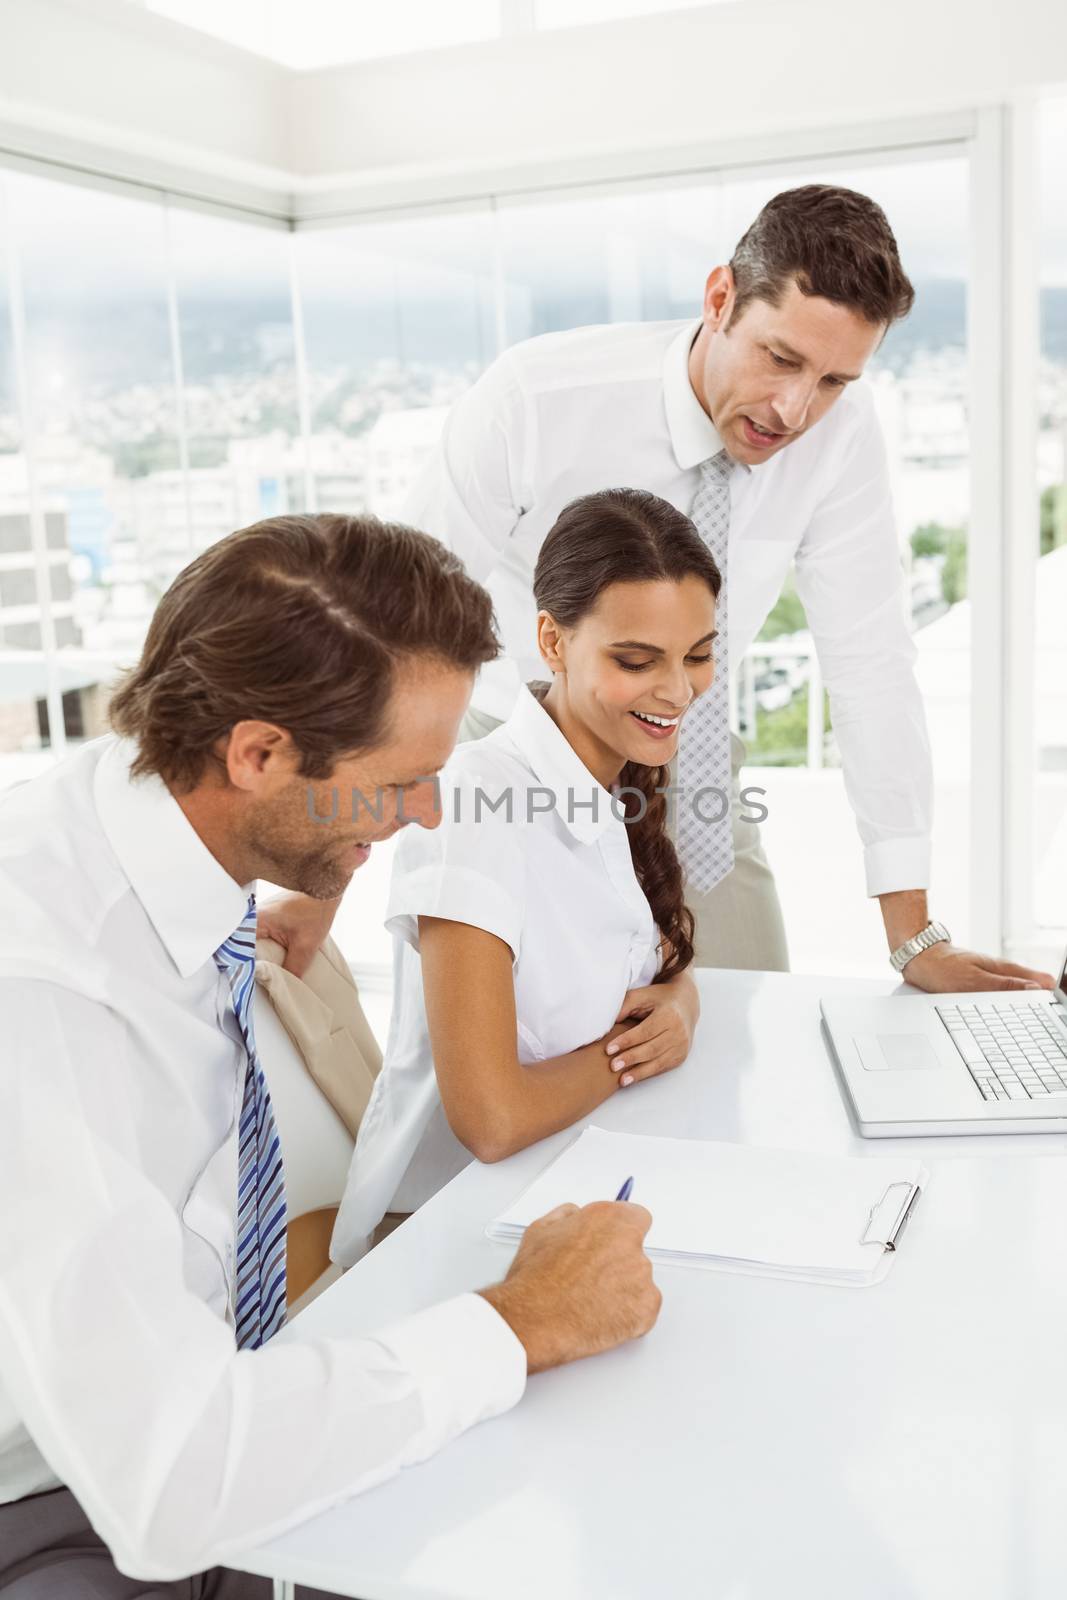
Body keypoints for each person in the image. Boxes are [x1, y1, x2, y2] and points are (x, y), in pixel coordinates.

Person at [0, 513, 662, 1598]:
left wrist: (329, 849)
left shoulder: (149, 822)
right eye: (402, 780)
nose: (429, 811)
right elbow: (167, 1480)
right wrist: (517, 1321)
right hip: (63, 1499)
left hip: (206, 1402)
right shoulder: (41, 994)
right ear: (257, 752)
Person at [264, 184, 1052, 995]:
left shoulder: (841, 440)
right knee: (524, 1041)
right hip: (510, 761)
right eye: (779, 358)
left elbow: (870, 666)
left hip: (690, 762)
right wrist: (314, 883)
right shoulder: (536, 399)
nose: (792, 410)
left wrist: (911, 938)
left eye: (831, 381)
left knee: (749, 1027)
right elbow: (401, 638)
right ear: (720, 299)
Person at [332, 489, 717, 1265]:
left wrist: (676, 1000)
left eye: (699, 654)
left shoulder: (616, 775)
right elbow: (494, 1118)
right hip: (447, 1231)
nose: (676, 691)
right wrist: (628, 1054)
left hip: (572, 1179)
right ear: (551, 640)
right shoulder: (476, 804)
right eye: (636, 661)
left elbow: (641, 966)